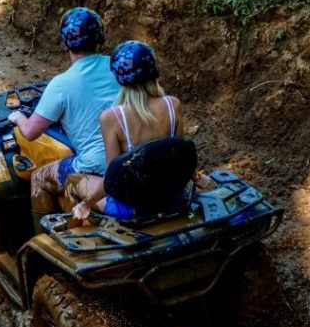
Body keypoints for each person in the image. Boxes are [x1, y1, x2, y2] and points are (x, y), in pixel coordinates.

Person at [66, 40, 213, 220]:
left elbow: (112, 179)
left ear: (118, 76)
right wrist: (196, 176)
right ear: (153, 70)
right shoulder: (172, 105)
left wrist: (86, 203)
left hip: (132, 208)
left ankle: (79, 227)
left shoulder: (111, 118)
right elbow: (178, 157)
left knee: (73, 180)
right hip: (172, 199)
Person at [6, 7, 120, 221]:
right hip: (128, 156)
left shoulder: (60, 85)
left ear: (66, 44)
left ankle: (45, 234)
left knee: (39, 177)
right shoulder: (116, 67)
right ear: (100, 38)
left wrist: (18, 117)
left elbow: (30, 132)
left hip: (96, 165)